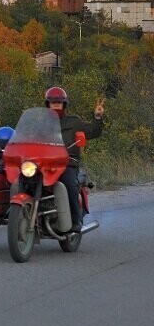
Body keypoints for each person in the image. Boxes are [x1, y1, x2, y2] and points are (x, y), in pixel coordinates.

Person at [44, 86, 104, 233]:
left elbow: (92, 132)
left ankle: (76, 220)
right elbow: (29, 137)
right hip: (43, 164)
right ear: (48, 104)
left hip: (68, 163)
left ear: (64, 104)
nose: (56, 105)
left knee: (69, 183)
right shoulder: (42, 122)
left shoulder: (74, 121)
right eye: (53, 102)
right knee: (25, 178)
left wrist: (97, 117)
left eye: (59, 102)